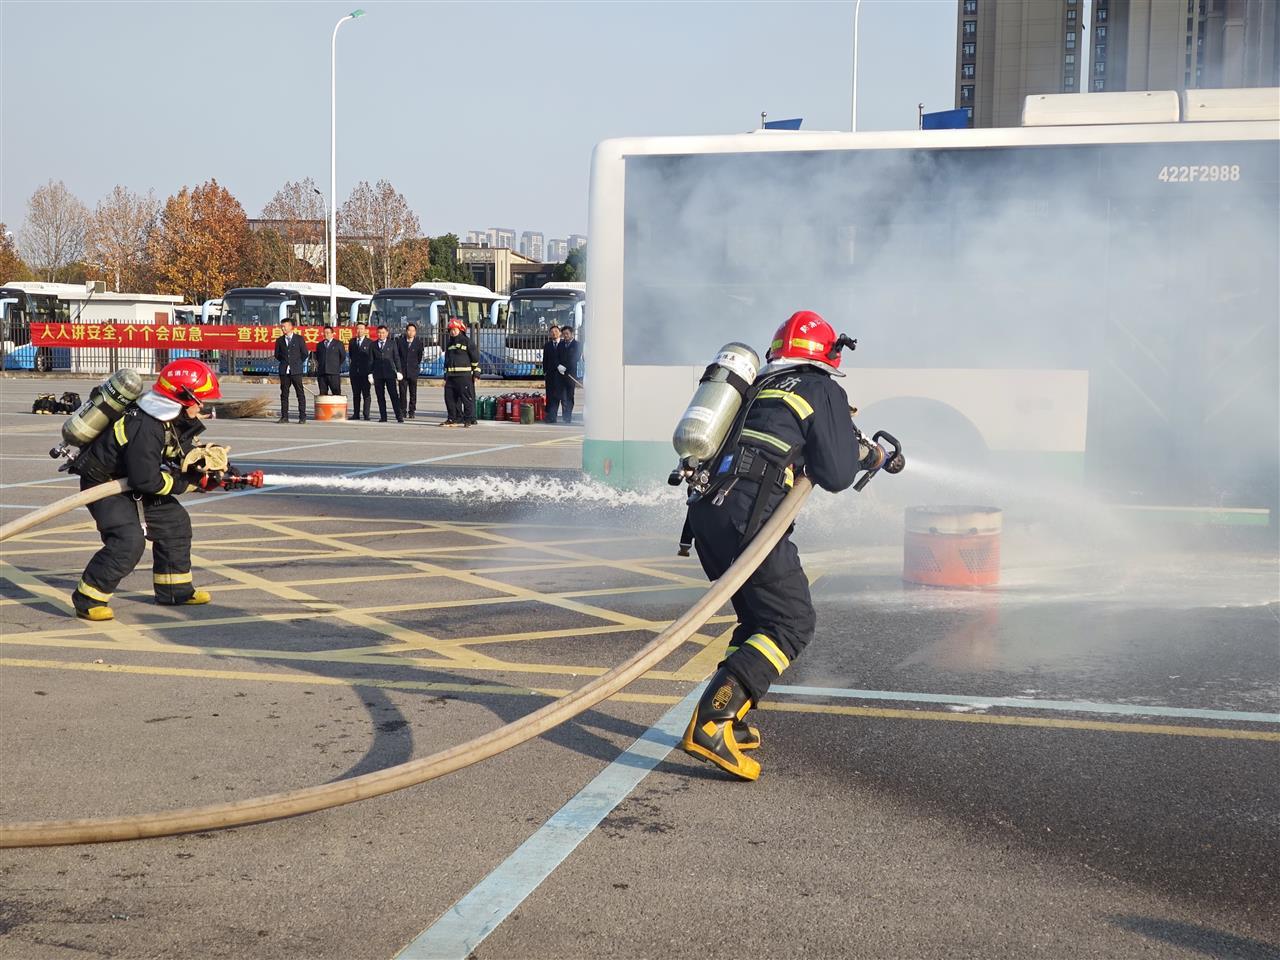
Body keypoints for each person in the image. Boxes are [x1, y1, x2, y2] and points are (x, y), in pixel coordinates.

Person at [680, 310, 875, 782]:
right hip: (749, 518)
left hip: (708, 514)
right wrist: (868, 454)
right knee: (791, 621)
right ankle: (712, 723)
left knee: (758, 619)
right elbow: (836, 474)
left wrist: (860, 448)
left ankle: (733, 714)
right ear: (828, 355)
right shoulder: (820, 387)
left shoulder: (758, 388)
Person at [68, 359, 233, 621]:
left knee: (174, 524)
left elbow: (181, 448)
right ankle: (89, 599)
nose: (202, 407)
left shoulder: (168, 416)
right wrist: (191, 484)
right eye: (199, 400)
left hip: (130, 480)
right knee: (128, 541)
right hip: (104, 484)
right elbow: (147, 481)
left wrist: (211, 465)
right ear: (182, 397)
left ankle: (174, 589)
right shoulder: (147, 425)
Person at [441, 316, 479, 427]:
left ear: (460, 330)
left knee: (467, 398)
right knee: (450, 398)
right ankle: (453, 418)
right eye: (451, 330)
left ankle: (468, 419)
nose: (453, 332)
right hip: (451, 377)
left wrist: (476, 373)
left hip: (464, 376)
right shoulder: (449, 344)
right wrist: (445, 376)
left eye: (455, 330)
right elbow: (447, 361)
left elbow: (475, 359)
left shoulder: (467, 342)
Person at [274, 318, 308, 423]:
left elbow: (305, 353)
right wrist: (286, 362)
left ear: (290, 327)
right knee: (284, 394)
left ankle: (302, 417)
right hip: (284, 371)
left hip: (296, 370)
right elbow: (277, 355)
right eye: (282, 326)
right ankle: (284, 417)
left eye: (284, 326)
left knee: (300, 394)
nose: (283, 328)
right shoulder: (279, 340)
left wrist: (296, 363)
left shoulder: (299, 339)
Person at [370, 324, 404, 422]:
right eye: (379, 333)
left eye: (383, 333)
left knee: (394, 395)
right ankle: (383, 417)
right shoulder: (373, 345)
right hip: (378, 374)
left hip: (390, 373)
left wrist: (399, 371)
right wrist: (370, 373)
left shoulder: (392, 343)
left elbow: (396, 358)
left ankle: (399, 416)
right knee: (380, 396)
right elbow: (371, 360)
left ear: (387, 333)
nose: (381, 335)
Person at [396, 322, 426, 419]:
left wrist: (414, 366)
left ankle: (412, 411)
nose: (411, 332)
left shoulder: (418, 343)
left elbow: (419, 357)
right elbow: (398, 356)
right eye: (409, 330)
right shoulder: (400, 341)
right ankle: (403, 410)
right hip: (402, 371)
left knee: (413, 392)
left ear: (415, 332)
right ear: (406, 331)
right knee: (402, 392)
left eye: (413, 331)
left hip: (413, 371)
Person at [555, 325, 581, 424]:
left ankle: (568, 415)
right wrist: (558, 365)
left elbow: (575, 358)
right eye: (564, 334)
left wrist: (566, 367)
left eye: (567, 334)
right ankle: (565, 415)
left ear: (572, 334)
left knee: (570, 396)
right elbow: (556, 356)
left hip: (570, 374)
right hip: (560, 374)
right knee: (563, 396)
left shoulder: (577, 345)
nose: (565, 336)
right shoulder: (561, 344)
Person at [348, 322, 373, 420]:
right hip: (354, 372)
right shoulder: (352, 342)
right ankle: (356, 414)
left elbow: (371, 358)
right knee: (356, 394)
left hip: (365, 372)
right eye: (358, 329)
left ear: (365, 330)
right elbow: (351, 355)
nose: (359, 331)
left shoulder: (370, 343)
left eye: (362, 329)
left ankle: (366, 414)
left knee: (366, 394)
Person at [314, 325, 347, 397]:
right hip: (322, 373)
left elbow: (343, 357)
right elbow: (317, 357)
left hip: (333, 373)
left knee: (336, 393)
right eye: (324, 333)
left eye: (328, 333)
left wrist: (335, 365)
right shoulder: (320, 345)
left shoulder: (338, 344)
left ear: (332, 334)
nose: (326, 334)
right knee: (323, 393)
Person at [542, 324, 562, 423]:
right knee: (550, 396)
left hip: (561, 375)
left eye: (556, 331)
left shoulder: (563, 344)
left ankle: (563, 416)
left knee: (558, 396)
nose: (554, 333)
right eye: (552, 332)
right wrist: (545, 372)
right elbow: (545, 360)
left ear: (560, 333)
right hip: (550, 375)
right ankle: (551, 416)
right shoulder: (547, 345)